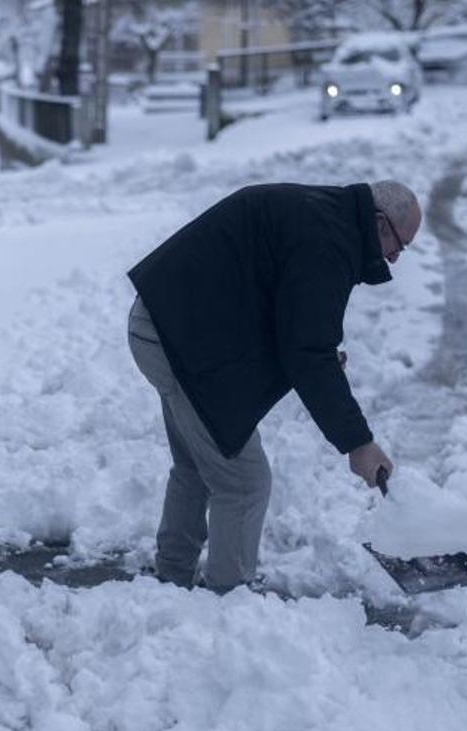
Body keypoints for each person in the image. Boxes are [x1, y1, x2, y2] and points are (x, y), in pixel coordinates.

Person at [126, 180, 422, 592]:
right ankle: (229, 603)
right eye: (399, 245)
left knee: (197, 464)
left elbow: (288, 323)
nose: (394, 257)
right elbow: (307, 350)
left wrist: (311, 360)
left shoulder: (325, 218)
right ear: (378, 222)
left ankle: (170, 578)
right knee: (244, 482)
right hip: (180, 340)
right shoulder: (328, 241)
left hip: (165, 324)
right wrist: (358, 443)